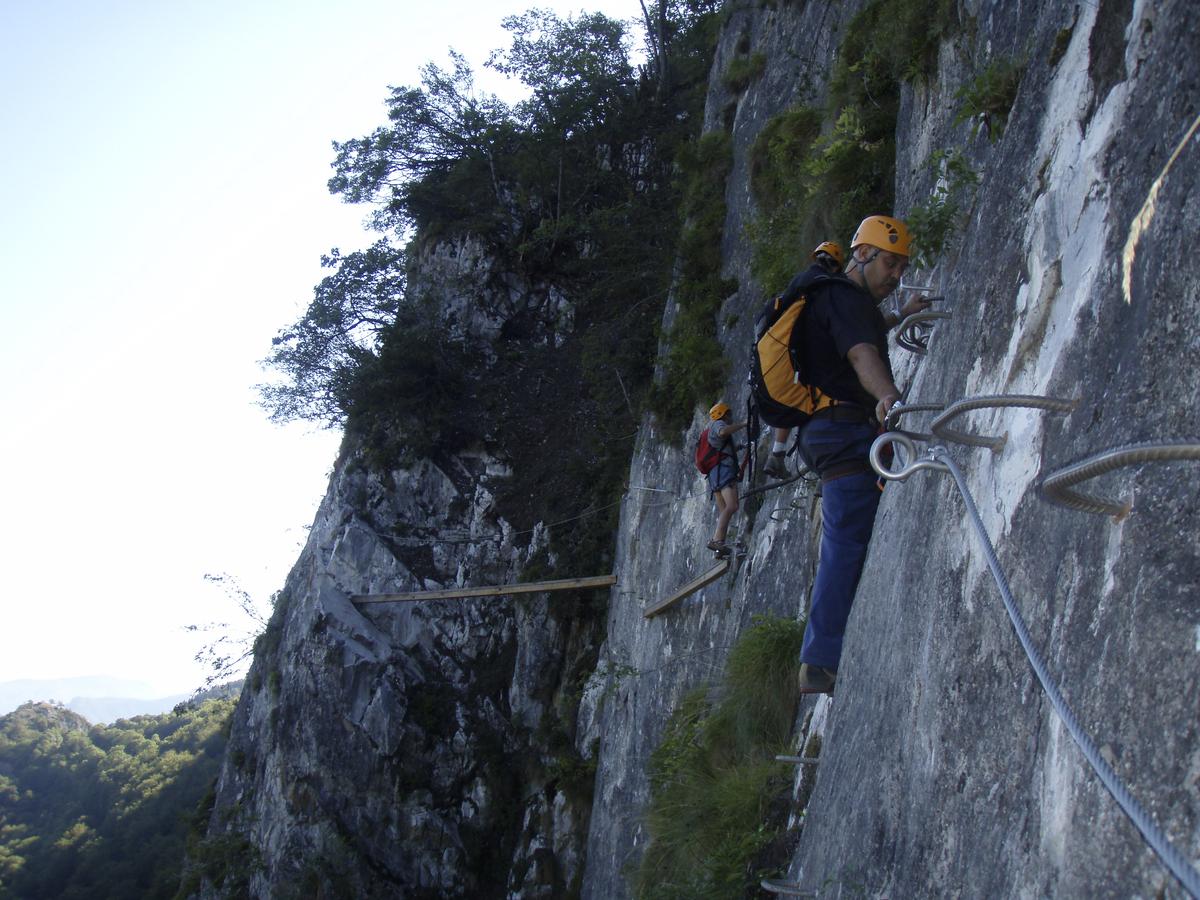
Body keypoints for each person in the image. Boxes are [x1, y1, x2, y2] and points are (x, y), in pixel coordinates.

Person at [796, 216, 931, 694]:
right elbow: (861, 355)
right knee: (849, 536)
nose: (895, 275)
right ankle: (821, 659)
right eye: (890, 263)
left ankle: (822, 654)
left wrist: (901, 313)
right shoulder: (844, 298)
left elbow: (863, 337)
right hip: (844, 433)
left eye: (901, 267)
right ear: (862, 256)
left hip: (829, 432)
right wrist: (890, 398)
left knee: (849, 533)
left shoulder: (838, 300)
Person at [763, 241, 845, 480]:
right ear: (836, 267)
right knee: (829, 397)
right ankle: (825, 472)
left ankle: (777, 454)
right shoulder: (826, 283)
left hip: (787, 354)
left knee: (794, 399)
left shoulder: (797, 281)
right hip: (811, 351)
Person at [704, 402, 747, 557]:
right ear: (724, 414)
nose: (731, 418)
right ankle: (716, 540)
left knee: (725, 511)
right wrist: (743, 424)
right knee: (733, 505)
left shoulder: (712, 432)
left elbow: (722, 450)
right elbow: (723, 432)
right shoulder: (718, 425)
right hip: (723, 473)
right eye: (729, 415)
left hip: (715, 475)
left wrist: (740, 447)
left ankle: (718, 550)